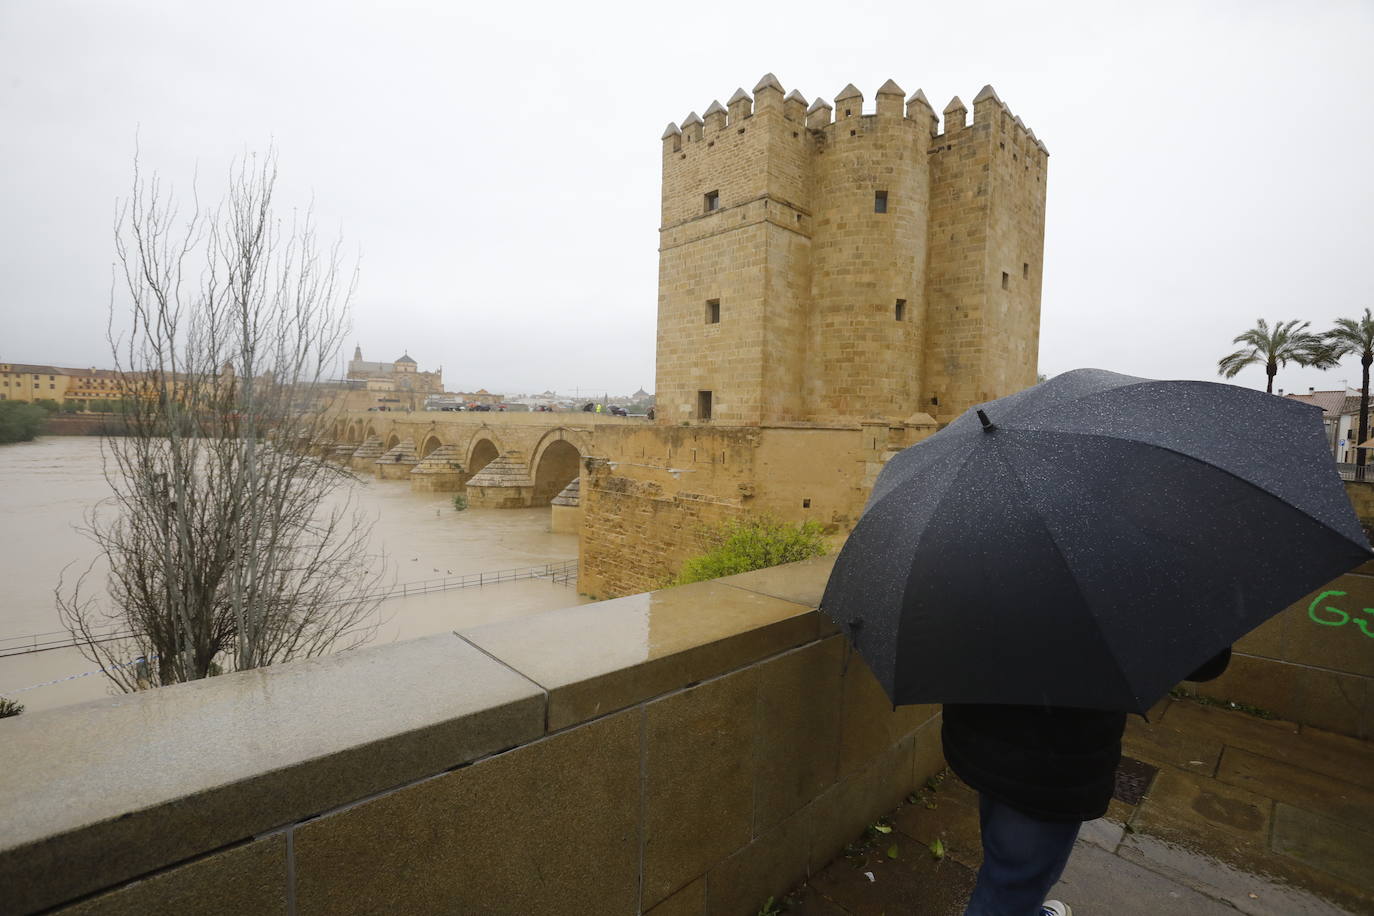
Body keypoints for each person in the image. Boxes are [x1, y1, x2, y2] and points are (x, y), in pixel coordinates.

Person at [947, 648, 1230, 916]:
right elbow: (1204, 660)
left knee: (1006, 856)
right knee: (1010, 887)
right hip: (1051, 758)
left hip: (982, 730)